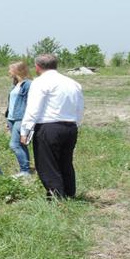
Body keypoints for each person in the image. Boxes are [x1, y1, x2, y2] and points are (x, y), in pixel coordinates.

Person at [20, 54, 84, 198]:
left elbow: (33, 109)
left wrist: (25, 130)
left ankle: (56, 196)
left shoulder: (40, 82)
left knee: (47, 163)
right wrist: (76, 123)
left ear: (37, 67)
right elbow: (80, 107)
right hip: (70, 126)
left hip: (48, 127)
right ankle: (69, 193)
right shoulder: (73, 83)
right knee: (65, 161)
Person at [4, 61, 32, 178]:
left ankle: (24, 171)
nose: (8, 72)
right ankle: (26, 170)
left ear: (17, 70)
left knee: (14, 144)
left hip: (21, 118)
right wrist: (8, 118)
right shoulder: (15, 84)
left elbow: (32, 102)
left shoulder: (28, 84)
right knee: (21, 144)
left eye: (10, 69)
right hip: (12, 118)